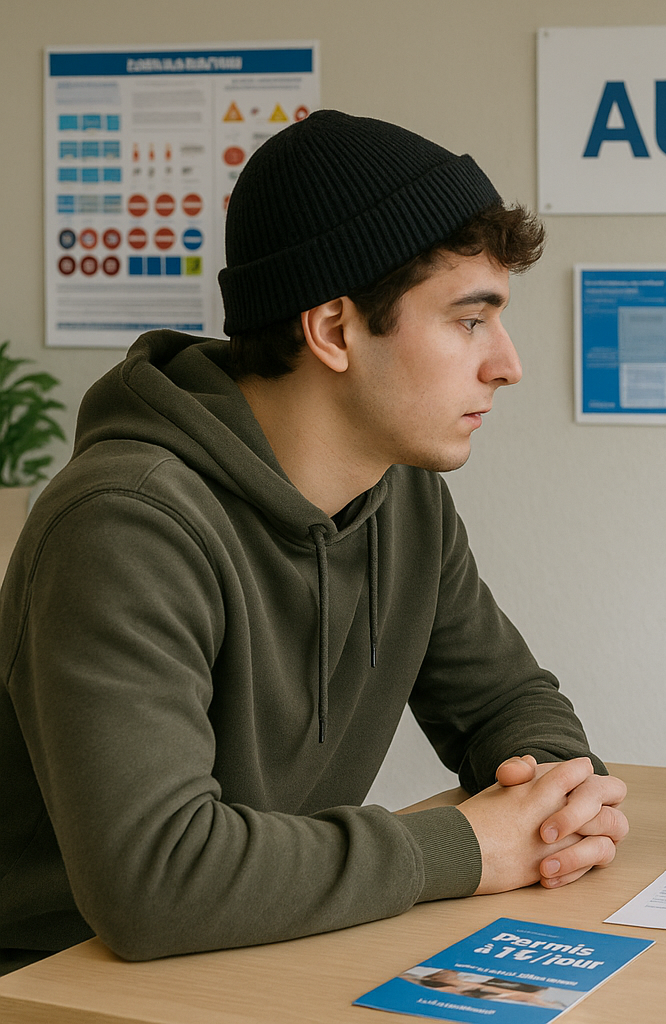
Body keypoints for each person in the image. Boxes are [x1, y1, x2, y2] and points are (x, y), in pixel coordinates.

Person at [0, 110, 627, 975]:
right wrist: (468, 846)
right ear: (333, 330)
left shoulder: (403, 496)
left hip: (256, 951)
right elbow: (155, 879)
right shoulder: (124, 523)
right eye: (469, 320)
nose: (507, 364)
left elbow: (505, 702)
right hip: (62, 983)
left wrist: (555, 799)